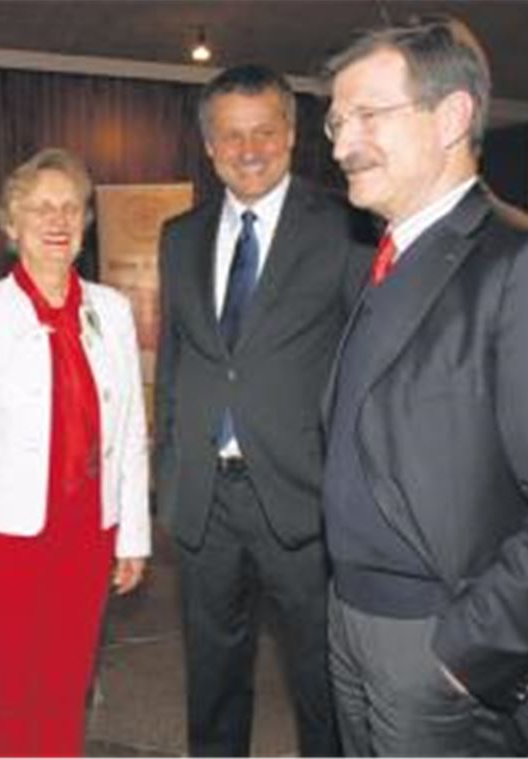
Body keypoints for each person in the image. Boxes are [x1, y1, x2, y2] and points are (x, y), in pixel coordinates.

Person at [321, 16, 528, 756]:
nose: (338, 143)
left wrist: (468, 651)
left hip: (440, 642)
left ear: (453, 116)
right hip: (351, 621)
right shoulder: (385, 261)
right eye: (336, 121)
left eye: (367, 115)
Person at [154, 64, 369, 757]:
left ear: (293, 134)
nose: (249, 149)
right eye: (231, 135)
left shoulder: (345, 226)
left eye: (265, 132)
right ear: (209, 145)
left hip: (304, 498)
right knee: (213, 679)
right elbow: (179, 362)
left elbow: (367, 364)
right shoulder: (179, 236)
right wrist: (168, 472)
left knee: (321, 679)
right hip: (207, 500)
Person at [0, 148, 151, 757]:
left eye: (71, 206)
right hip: (5, 533)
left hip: (89, 529)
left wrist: (133, 537)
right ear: (10, 225)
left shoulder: (111, 310)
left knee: (70, 684)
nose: (57, 219)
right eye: (39, 207)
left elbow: (130, 427)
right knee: (14, 689)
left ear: (86, 222)